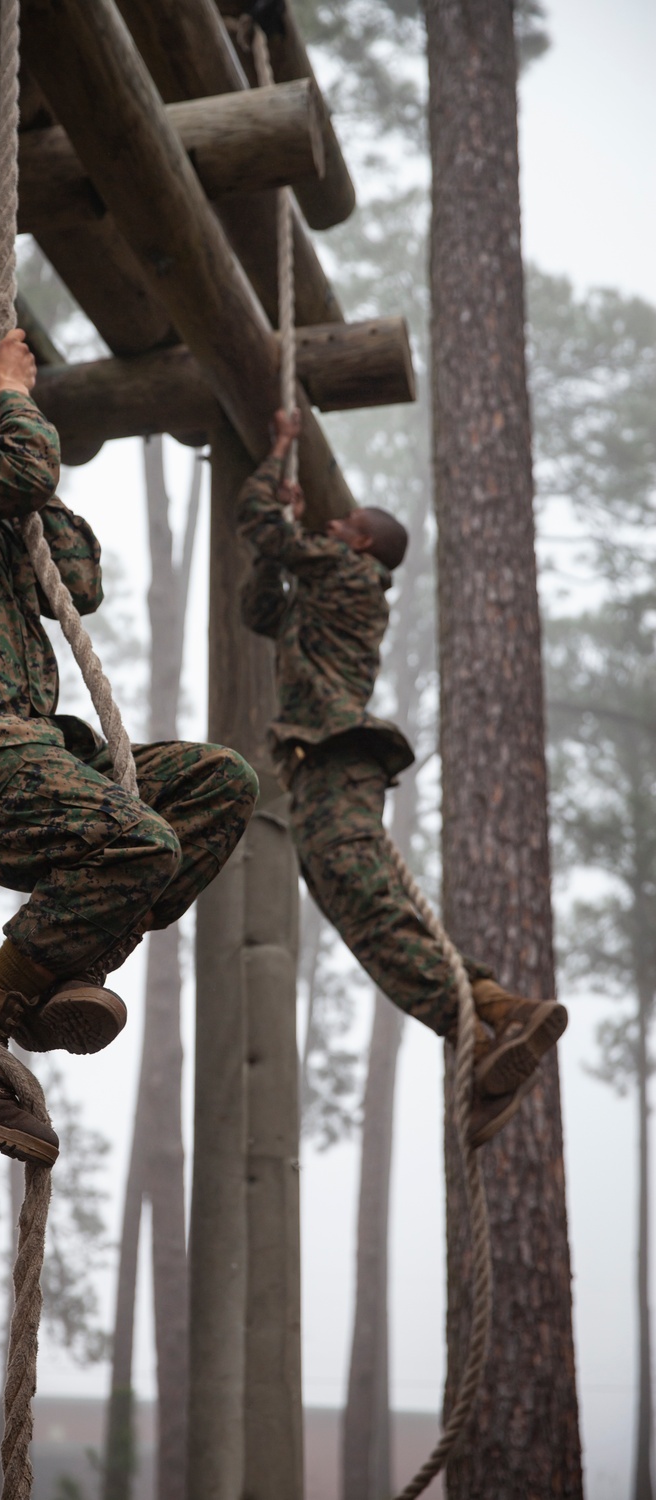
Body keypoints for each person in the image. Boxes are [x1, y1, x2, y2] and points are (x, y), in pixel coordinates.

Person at [0, 330, 258, 1166]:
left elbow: (78, 582)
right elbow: (23, 469)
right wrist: (12, 397)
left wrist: (20, 467)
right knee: (141, 841)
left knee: (218, 784)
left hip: (30, 750)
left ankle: (56, 976)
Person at [237, 410, 566, 1147]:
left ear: (358, 544)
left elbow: (261, 523)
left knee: (366, 904)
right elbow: (260, 608)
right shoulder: (327, 590)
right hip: (322, 768)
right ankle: (490, 1017)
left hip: (337, 762)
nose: (329, 524)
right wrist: (277, 541)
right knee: (364, 909)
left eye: (342, 522)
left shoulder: (351, 575)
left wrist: (280, 452)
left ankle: (480, 1017)